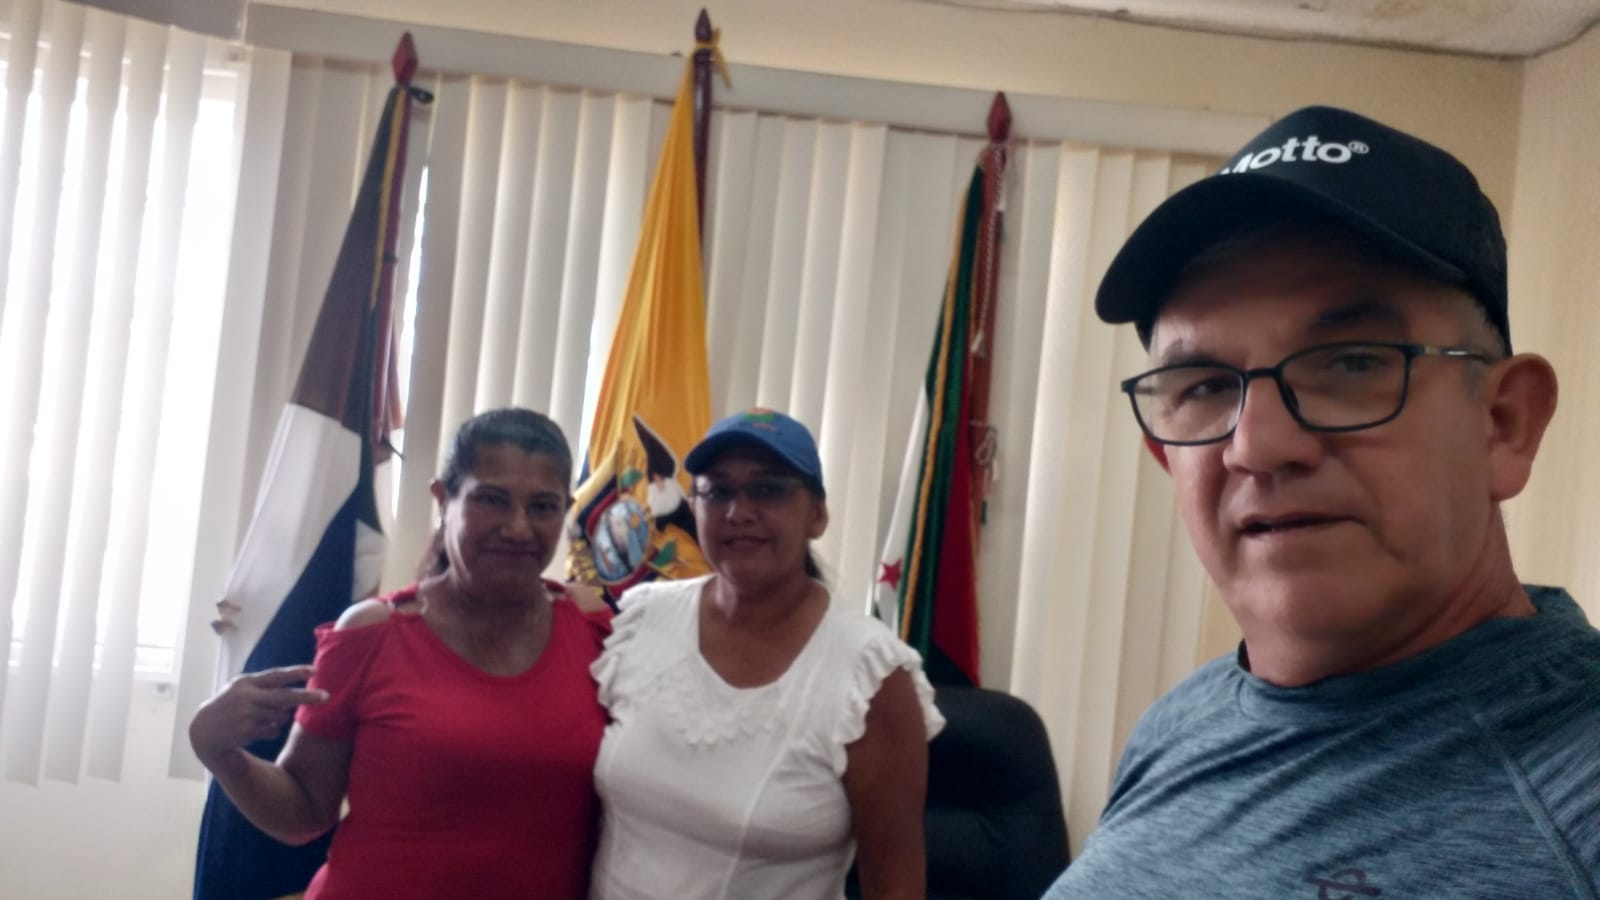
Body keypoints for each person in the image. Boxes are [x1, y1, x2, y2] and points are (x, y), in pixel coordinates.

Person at [1043, 105, 1600, 898]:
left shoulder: (1575, 804)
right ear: (1166, 456)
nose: (1257, 446)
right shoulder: (1183, 722)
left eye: (1350, 363)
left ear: (1504, 424)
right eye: (1204, 386)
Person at [188, 408, 611, 900]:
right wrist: (216, 750)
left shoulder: (593, 628)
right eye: (492, 500)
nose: (518, 528)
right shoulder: (373, 634)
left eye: (543, 506)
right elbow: (304, 811)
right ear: (443, 499)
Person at [587, 408, 945, 900]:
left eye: (769, 489)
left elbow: (895, 881)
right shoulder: (642, 618)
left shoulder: (870, 676)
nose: (738, 511)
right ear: (693, 506)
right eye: (717, 491)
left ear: (817, 515)